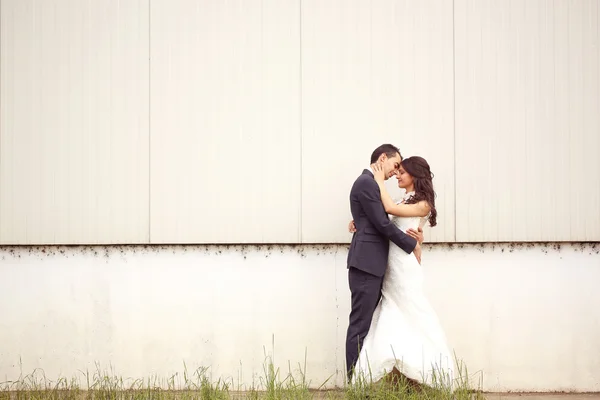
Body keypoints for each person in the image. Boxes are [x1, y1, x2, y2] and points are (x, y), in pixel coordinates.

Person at [349, 155, 455, 390]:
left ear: (415, 176)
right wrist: (358, 222)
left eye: (402, 172)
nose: (397, 174)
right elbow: (382, 219)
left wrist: (378, 180)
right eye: (397, 170)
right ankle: (398, 372)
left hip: (404, 267)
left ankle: (432, 371)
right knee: (392, 314)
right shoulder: (404, 198)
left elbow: (388, 209)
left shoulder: (423, 203)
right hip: (390, 266)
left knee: (413, 312)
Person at [345, 144, 424, 383]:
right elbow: (382, 223)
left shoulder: (370, 184)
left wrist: (357, 221)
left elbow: (376, 219)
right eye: (395, 164)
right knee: (360, 325)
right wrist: (411, 245)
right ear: (382, 158)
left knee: (369, 324)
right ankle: (354, 383)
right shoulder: (367, 183)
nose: (396, 171)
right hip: (366, 265)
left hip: (375, 264)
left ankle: (362, 379)